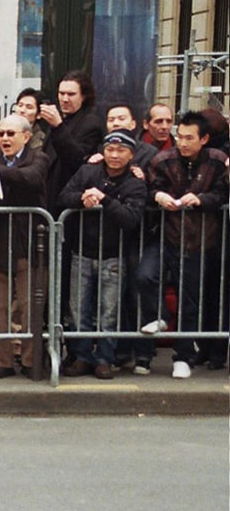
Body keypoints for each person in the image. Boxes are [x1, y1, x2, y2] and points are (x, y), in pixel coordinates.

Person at [135, 110, 229, 379]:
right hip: (165, 234)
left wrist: (201, 200)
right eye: (180, 136)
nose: (183, 142)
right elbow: (150, 188)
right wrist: (160, 196)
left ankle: (183, 356)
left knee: (190, 301)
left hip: (200, 240)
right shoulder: (163, 160)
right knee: (145, 276)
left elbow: (222, 193)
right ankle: (160, 316)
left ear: (204, 139)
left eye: (190, 138)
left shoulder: (217, 161)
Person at [58, 129, 148, 379]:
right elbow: (63, 196)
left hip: (114, 255)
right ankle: (81, 355)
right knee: (78, 309)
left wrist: (105, 201)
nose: (115, 155)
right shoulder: (88, 171)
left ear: (131, 155)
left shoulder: (135, 182)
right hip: (83, 251)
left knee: (109, 312)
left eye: (121, 151)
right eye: (110, 149)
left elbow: (131, 218)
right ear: (103, 151)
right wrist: (81, 198)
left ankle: (105, 358)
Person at [0, 114, 51, 379]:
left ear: (26, 137)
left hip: (28, 243)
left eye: (10, 134)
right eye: (1, 134)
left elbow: (32, 179)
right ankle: (1, 361)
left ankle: (30, 360)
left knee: (30, 307)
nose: (4, 139)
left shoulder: (37, 157)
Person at [41, 71, 104, 214]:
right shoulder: (59, 122)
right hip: (49, 195)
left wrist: (58, 126)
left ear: (84, 96)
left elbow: (76, 158)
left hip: (69, 200)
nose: (64, 99)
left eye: (71, 94)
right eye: (61, 93)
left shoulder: (90, 123)